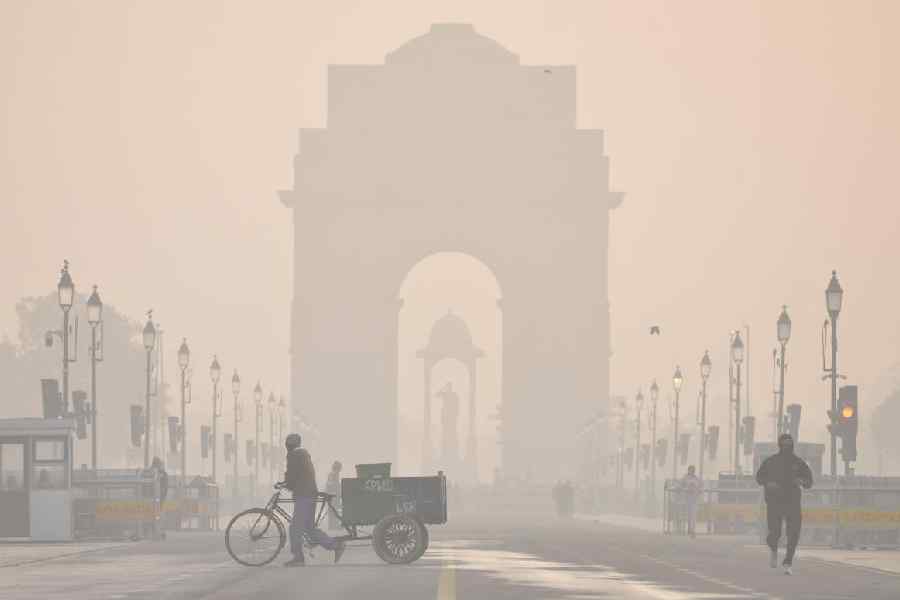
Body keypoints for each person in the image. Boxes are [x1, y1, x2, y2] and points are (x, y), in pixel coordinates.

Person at [282, 433, 345, 567]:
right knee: (309, 528)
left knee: (295, 527)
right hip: (311, 494)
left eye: (287, 443)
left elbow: (292, 475)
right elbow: (302, 474)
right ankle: (335, 545)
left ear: (289, 445)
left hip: (303, 495)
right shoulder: (305, 454)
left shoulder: (293, 455)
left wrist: (286, 483)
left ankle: (298, 558)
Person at [756, 433, 813, 575]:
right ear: (779, 445)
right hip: (775, 502)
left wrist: (802, 481)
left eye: (789, 444)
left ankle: (788, 561)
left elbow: (809, 481)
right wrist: (769, 483)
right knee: (774, 532)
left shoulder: (798, 463)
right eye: (784, 444)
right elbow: (759, 477)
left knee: (793, 533)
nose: (787, 447)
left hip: (792, 502)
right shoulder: (771, 462)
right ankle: (773, 549)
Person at [681, 465, 702, 538]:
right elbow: (681, 485)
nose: (692, 471)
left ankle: (692, 530)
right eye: (691, 470)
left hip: (694, 499)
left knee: (693, 515)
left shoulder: (696, 478)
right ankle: (690, 528)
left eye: (693, 470)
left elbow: (700, 487)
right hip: (687, 499)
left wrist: (698, 490)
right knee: (689, 515)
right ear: (688, 470)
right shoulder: (685, 478)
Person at [325, 460, 343, 530]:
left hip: (332, 495)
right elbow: (333, 484)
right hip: (333, 495)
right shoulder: (334, 474)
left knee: (333, 511)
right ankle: (333, 526)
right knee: (334, 510)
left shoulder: (332, 474)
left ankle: (332, 526)